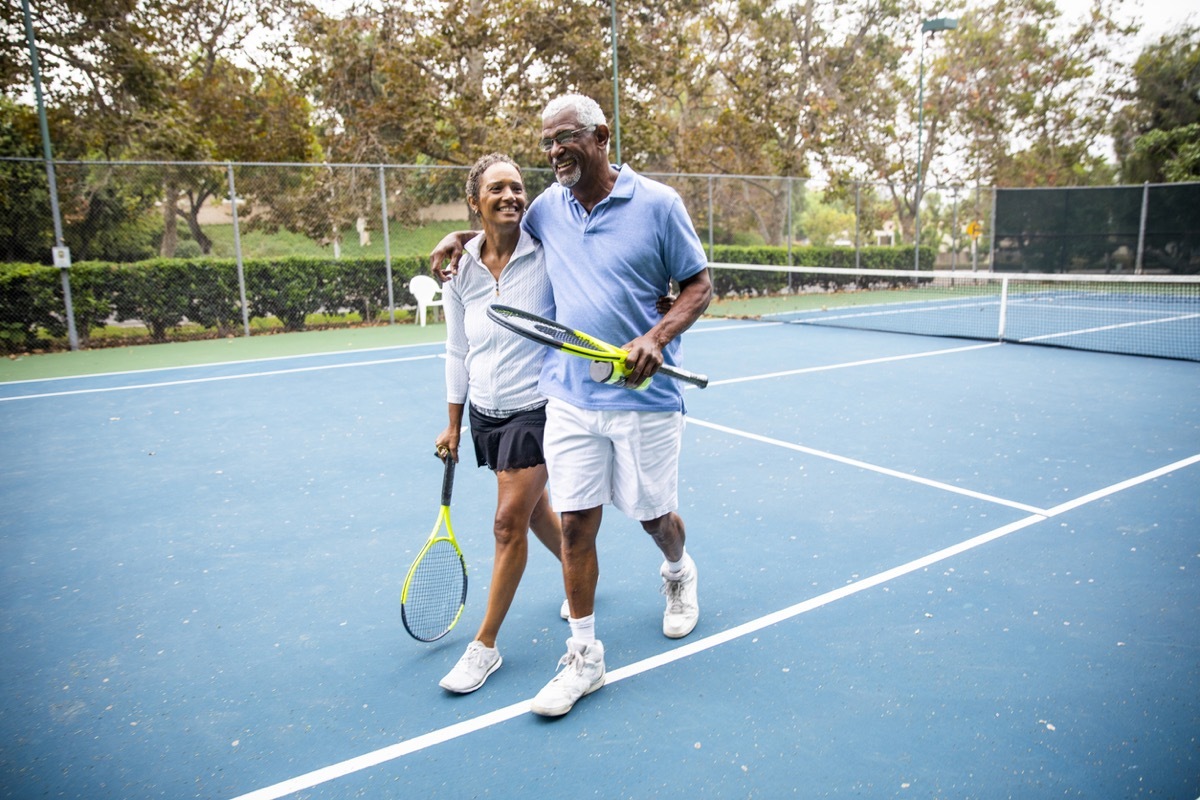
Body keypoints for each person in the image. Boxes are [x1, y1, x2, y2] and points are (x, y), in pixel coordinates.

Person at [432, 94, 713, 717]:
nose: (555, 151)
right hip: (568, 397)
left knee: (652, 517)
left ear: (601, 135)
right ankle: (585, 655)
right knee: (578, 525)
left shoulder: (660, 205)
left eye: (565, 138)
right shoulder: (547, 211)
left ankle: (677, 569)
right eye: (547, 143)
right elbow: (498, 226)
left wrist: (656, 337)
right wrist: (461, 237)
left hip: (646, 399)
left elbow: (699, 285)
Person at [433, 153, 566, 694]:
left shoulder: (548, 248)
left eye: (517, 187)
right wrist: (453, 424)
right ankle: (577, 565)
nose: (511, 195)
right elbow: (456, 349)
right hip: (487, 412)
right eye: (497, 189)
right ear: (476, 201)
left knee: (507, 522)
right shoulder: (458, 268)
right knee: (533, 514)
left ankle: (483, 646)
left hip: (539, 405)